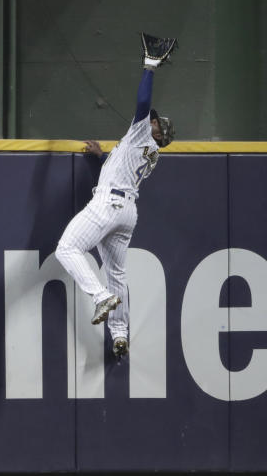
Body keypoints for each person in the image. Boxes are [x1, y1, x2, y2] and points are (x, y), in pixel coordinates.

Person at [55, 33, 176, 359]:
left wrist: (150, 68)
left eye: (155, 123)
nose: (155, 122)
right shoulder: (149, 152)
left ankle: (99, 296)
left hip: (109, 205)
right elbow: (118, 169)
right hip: (126, 211)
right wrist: (99, 158)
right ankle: (120, 334)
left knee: (66, 248)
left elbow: (141, 104)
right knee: (117, 273)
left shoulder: (141, 132)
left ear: (151, 129)